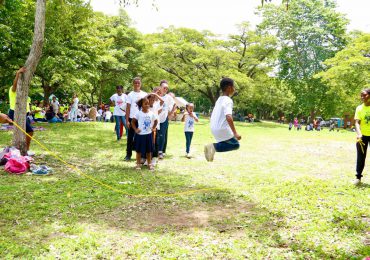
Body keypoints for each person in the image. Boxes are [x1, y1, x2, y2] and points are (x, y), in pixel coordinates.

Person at [204, 78, 241, 162]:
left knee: (225, 143)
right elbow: (228, 116)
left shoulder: (219, 99)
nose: (234, 89)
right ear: (228, 88)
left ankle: (212, 148)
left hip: (214, 128)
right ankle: (212, 147)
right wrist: (235, 133)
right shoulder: (228, 100)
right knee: (235, 144)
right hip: (222, 129)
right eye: (233, 87)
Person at [8, 67, 34, 153]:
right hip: (14, 113)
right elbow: (15, 85)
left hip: (24, 114)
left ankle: (24, 148)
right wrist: (18, 74)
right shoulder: (13, 89)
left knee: (25, 131)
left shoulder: (24, 92)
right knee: (30, 131)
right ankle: (27, 149)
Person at [131, 96, 158, 170]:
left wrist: (153, 128)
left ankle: (149, 164)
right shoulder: (138, 113)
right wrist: (136, 129)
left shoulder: (151, 113)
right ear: (141, 105)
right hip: (140, 135)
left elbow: (156, 121)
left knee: (149, 151)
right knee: (139, 151)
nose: (147, 105)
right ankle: (138, 164)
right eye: (145, 104)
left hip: (148, 135)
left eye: (148, 104)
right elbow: (132, 122)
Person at [125, 77, 147, 161]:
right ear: (133, 84)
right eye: (135, 83)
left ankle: (142, 155)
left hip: (141, 119)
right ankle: (128, 154)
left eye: (138, 83)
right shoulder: (130, 95)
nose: (137, 84)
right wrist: (127, 121)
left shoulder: (144, 94)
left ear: (140, 84)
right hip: (132, 119)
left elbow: (147, 106)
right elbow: (128, 108)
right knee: (130, 138)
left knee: (142, 137)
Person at [354, 88, 370, 185]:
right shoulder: (359, 108)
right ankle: (358, 177)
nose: (362, 97)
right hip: (362, 136)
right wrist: (359, 134)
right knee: (360, 157)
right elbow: (356, 123)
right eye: (361, 95)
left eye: (364, 95)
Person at [157, 80, 175, 159]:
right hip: (155, 119)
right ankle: (155, 150)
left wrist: (170, 113)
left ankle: (160, 151)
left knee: (162, 135)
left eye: (167, 88)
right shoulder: (156, 95)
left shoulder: (169, 97)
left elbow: (174, 104)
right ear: (160, 87)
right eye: (164, 88)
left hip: (164, 119)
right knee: (155, 135)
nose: (165, 89)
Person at [148, 89, 164, 166]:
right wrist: (150, 94)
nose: (151, 100)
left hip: (155, 126)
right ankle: (147, 158)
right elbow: (140, 101)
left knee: (155, 142)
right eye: (150, 98)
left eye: (153, 99)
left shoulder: (156, 104)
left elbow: (162, 101)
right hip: (147, 127)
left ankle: (154, 157)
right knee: (148, 142)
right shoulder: (146, 104)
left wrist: (155, 94)